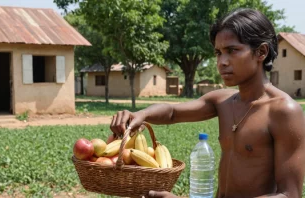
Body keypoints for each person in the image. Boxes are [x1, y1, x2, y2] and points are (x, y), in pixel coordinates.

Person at [110, 8, 305, 198]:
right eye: (218, 53)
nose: (222, 62)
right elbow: (173, 113)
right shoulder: (223, 101)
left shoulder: (283, 111)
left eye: (232, 50)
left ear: (261, 52)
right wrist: (141, 115)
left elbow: (290, 194)